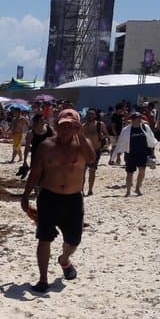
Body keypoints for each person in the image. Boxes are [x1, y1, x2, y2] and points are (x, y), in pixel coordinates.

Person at [21, 108, 97, 293]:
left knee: (74, 240)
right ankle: (43, 279)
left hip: (73, 199)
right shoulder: (46, 146)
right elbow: (36, 172)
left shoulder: (82, 144)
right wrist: (25, 195)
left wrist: (81, 135)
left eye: (70, 126)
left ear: (77, 126)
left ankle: (64, 260)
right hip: (49, 197)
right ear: (56, 125)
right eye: (62, 126)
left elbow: (91, 160)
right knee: (44, 238)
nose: (65, 130)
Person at [114, 112, 157, 196]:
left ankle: (137, 188)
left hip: (142, 154)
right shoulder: (126, 130)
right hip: (130, 154)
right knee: (129, 173)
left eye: (140, 118)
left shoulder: (145, 128)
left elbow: (151, 141)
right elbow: (120, 143)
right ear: (132, 120)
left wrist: (152, 154)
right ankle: (128, 191)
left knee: (142, 171)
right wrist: (118, 156)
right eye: (137, 118)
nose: (139, 120)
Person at [19, 112, 53, 177]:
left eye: (44, 119)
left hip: (48, 156)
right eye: (41, 120)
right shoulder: (31, 133)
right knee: (35, 175)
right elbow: (27, 148)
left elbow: (55, 140)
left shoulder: (49, 129)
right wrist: (25, 161)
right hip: (36, 156)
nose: (43, 121)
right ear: (36, 122)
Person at [82, 109, 107, 196]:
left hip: (96, 150)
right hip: (85, 151)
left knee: (92, 171)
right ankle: (81, 190)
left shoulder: (100, 125)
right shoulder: (83, 126)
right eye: (89, 114)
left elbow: (106, 134)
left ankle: (90, 189)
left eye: (92, 114)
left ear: (95, 115)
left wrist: (101, 137)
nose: (90, 116)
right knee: (83, 172)